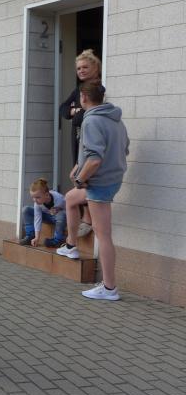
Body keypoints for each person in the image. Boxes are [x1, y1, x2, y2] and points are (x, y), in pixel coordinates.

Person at [57, 82, 129, 301]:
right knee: (71, 198)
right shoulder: (115, 119)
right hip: (111, 179)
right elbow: (124, 148)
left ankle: (109, 288)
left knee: (103, 235)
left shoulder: (91, 120)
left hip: (99, 184)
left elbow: (95, 159)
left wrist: (80, 178)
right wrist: (79, 166)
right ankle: (71, 245)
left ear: (84, 97)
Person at [59, 49, 102, 237]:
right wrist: (74, 111)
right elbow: (63, 109)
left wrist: (77, 111)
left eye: (85, 67)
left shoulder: (99, 89)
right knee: (78, 176)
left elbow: (91, 112)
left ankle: (89, 218)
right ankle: (86, 215)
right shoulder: (79, 90)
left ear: (96, 68)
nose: (81, 71)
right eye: (78, 68)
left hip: (89, 141)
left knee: (86, 177)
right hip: (76, 140)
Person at [20, 178, 66, 247]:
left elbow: (70, 210)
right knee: (26, 210)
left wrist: (60, 209)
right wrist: (37, 238)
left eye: (37, 197)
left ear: (47, 195)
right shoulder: (37, 203)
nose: (35, 200)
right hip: (47, 217)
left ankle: (58, 240)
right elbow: (37, 218)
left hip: (59, 219)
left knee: (61, 214)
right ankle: (30, 236)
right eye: (33, 197)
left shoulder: (59, 198)